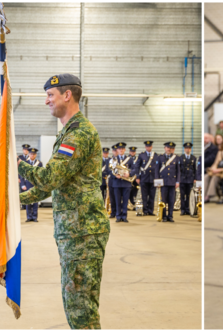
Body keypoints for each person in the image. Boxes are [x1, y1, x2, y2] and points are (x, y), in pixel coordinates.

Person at [18, 73, 109, 331]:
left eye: (50, 95)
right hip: (75, 231)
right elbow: (53, 184)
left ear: (67, 95)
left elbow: (49, 177)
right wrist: (17, 200)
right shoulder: (68, 132)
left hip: (82, 232)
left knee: (81, 307)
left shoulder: (78, 134)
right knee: (75, 301)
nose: (47, 101)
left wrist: (17, 165)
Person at [155, 142, 179, 222]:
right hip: (163, 182)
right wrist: (157, 181)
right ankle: (164, 216)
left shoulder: (176, 158)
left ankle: (170, 216)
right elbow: (156, 170)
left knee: (172, 200)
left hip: (172, 182)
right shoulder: (160, 157)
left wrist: (178, 181)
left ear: (172, 149)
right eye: (167, 147)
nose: (169, 149)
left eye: (170, 148)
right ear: (165, 148)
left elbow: (178, 171)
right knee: (163, 200)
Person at [110, 142, 135, 223]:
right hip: (117, 183)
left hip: (126, 183)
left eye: (122, 149)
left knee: (125, 201)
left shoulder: (130, 159)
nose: (121, 150)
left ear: (124, 150)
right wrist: (115, 175)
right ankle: (118, 216)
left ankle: (124, 216)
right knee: (117, 201)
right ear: (117, 150)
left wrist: (129, 173)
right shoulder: (113, 159)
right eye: (119, 149)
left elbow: (135, 169)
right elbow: (110, 171)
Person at [21, 148, 43, 222]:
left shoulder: (39, 163)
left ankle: (34, 217)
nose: (32, 155)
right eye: (31, 154)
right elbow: (21, 174)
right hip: (27, 183)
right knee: (28, 200)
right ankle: (29, 217)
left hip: (36, 184)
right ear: (29, 154)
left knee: (35, 200)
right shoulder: (25, 162)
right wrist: (23, 184)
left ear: (36, 155)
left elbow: (41, 174)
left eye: (34, 154)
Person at [135, 141, 157, 216]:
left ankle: (150, 211)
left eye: (150, 146)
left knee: (152, 195)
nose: (148, 147)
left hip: (153, 179)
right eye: (147, 146)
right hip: (144, 178)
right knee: (144, 195)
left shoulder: (156, 155)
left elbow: (157, 167)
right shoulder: (141, 155)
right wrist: (137, 177)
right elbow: (137, 166)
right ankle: (145, 210)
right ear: (145, 147)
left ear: (152, 147)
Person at [178, 142, 197, 215]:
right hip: (182, 179)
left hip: (190, 179)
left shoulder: (193, 158)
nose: (188, 150)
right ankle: (182, 210)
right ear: (184, 149)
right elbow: (178, 169)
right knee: (182, 195)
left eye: (189, 148)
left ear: (191, 149)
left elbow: (195, 169)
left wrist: (195, 178)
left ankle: (188, 209)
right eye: (186, 148)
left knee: (189, 195)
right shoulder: (180, 158)